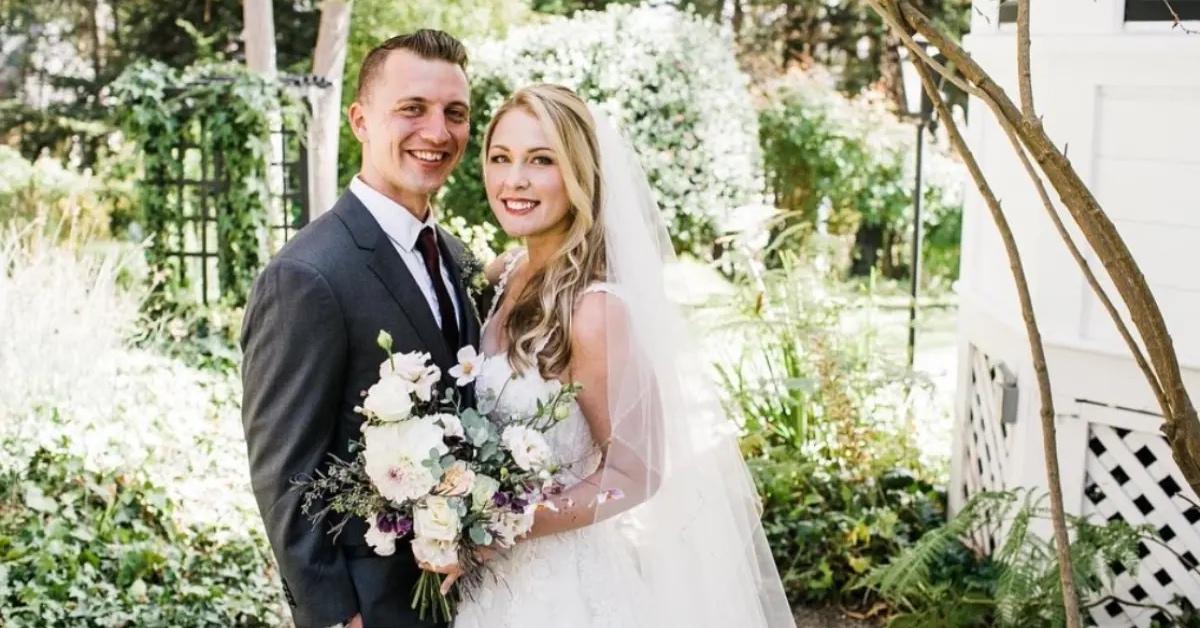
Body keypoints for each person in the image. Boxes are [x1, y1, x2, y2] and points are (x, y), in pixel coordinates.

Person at [448, 84, 795, 628]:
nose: (514, 179)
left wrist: (504, 524)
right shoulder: (503, 274)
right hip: (485, 590)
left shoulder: (595, 309)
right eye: (501, 158)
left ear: (579, 173)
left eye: (541, 160)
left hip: (560, 595)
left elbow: (638, 471)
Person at [240, 30, 481, 628]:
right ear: (360, 121)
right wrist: (336, 616)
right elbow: (283, 470)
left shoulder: (453, 254)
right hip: (372, 606)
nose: (438, 131)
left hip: (469, 594)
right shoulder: (306, 274)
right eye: (412, 109)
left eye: (455, 113)